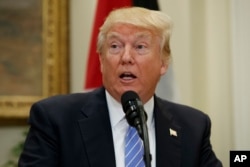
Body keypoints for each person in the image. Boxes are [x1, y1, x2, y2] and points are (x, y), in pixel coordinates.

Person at [18, 7, 222, 167]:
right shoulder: (56, 119)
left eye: (140, 47)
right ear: (101, 60)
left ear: (163, 63)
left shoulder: (192, 127)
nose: (126, 57)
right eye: (115, 46)